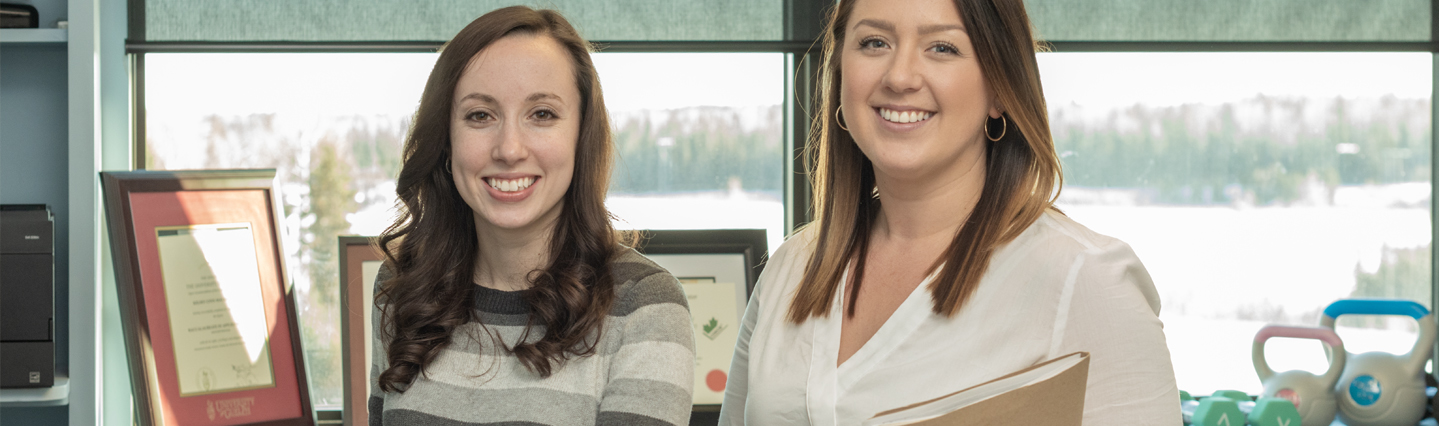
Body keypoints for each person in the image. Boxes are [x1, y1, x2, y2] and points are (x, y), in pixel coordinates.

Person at [717, 0, 1179, 424]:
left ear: (1000, 88)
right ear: (839, 72)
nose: (900, 77)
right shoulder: (791, 267)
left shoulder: (1087, 280)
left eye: (942, 47)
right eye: (874, 42)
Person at [368, 6, 694, 425]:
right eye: (480, 116)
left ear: (581, 135)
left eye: (542, 114)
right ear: (445, 140)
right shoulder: (404, 287)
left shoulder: (645, 307)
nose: (509, 149)